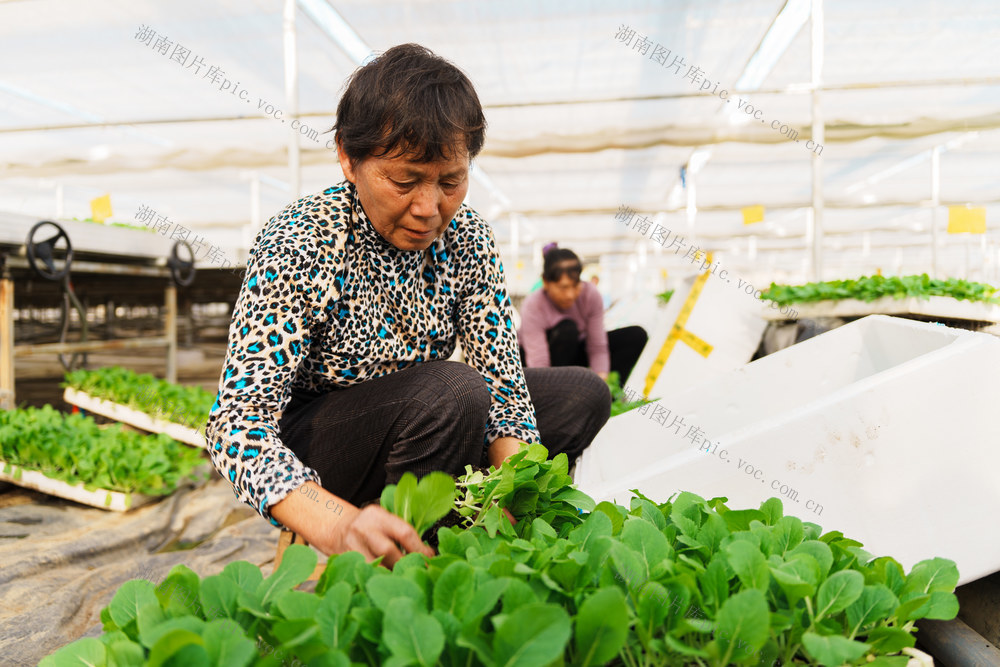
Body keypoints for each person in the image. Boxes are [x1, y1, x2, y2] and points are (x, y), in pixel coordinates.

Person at [204, 44, 611, 568]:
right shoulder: (302, 241)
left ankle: (458, 518)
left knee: (582, 395)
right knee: (453, 389)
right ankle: (395, 548)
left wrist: (509, 491)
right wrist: (335, 520)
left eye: (450, 181)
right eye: (404, 181)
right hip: (333, 444)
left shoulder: (468, 238)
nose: (428, 208)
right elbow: (236, 424)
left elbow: (505, 385)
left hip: (434, 417)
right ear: (348, 158)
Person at [518, 247, 648, 382]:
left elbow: (597, 345)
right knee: (567, 329)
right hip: (538, 362)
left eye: (575, 286)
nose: (570, 295)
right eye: (563, 287)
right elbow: (538, 360)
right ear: (546, 282)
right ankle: (565, 388)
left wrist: (602, 381)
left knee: (635, 336)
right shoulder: (533, 305)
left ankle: (613, 394)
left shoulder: (590, 294)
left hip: (573, 353)